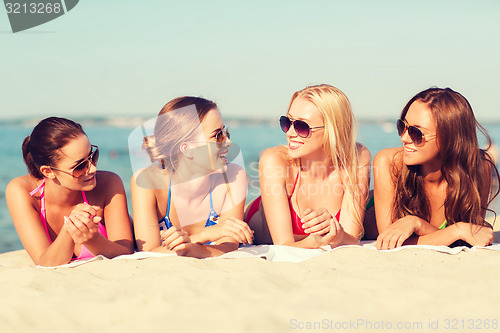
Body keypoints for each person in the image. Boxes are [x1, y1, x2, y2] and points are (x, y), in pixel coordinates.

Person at [245, 84, 371, 248]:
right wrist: (316, 241)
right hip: (255, 218)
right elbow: (283, 245)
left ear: (333, 130)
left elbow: (351, 239)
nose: (289, 133)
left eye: (301, 126)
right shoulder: (274, 161)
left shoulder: (357, 157)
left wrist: (338, 234)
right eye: (287, 122)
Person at [374, 87, 500, 250]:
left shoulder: (479, 167)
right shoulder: (388, 163)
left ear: (450, 138)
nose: (403, 137)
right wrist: (458, 230)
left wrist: (417, 223)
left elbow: (472, 237)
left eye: (415, 132)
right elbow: (389, 243)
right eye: (402, 126)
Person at [131, 96, 252, 258]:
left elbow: (229, 247)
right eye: (218, 136)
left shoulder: (233, 177)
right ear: (187, 149)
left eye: (225, 132)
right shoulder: (148, 183)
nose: (228, 142)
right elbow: (149, 251)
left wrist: (191, 248)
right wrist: (204, 236)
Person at [6, 117, 134, 266]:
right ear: (48, 171)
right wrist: (70, 229)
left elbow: (126, 252)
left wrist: (91, 239)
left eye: (93, 156)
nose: (93, 168)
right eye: (80, 166)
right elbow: (45, 262)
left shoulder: (109, 183)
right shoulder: (22, 191)